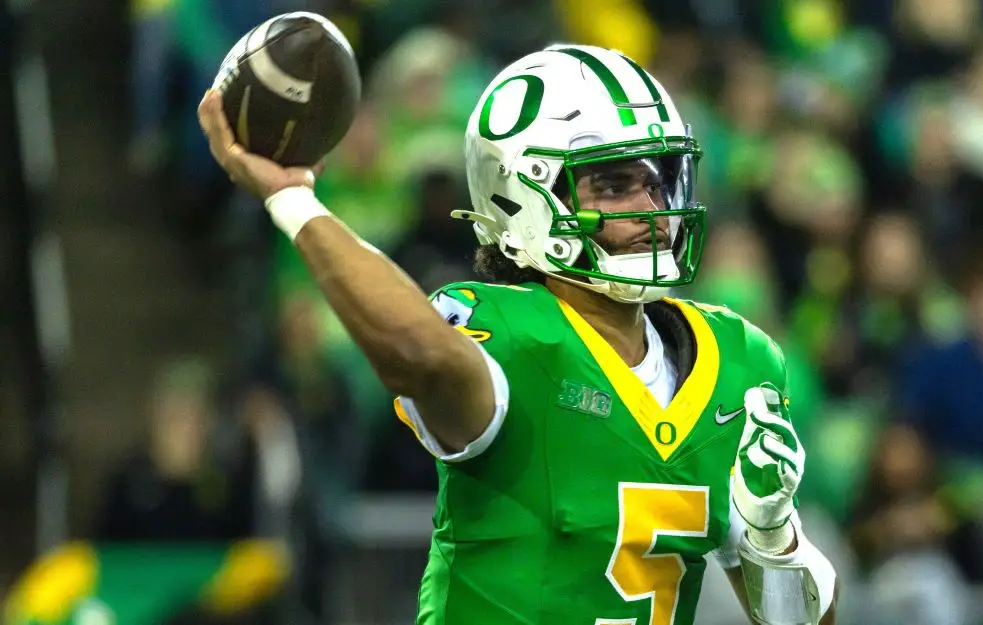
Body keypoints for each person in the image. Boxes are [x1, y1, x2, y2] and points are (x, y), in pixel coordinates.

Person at [198, 42, 837, 625]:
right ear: (522, 196)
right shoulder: (503, 331)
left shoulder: (738, 360)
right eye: (613, 184)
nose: (651, 209)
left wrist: (772, 534)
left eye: (658, 179)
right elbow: (419, 353)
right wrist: (294, 200)